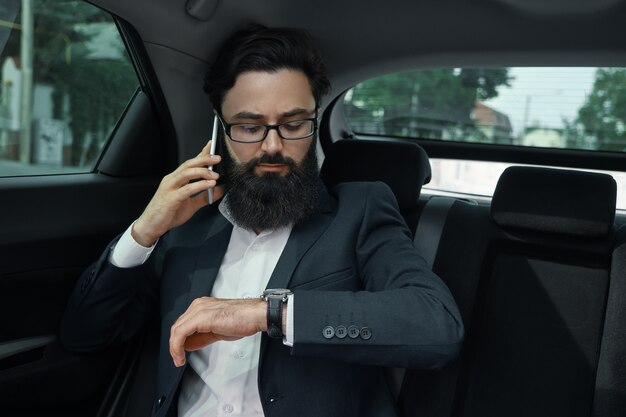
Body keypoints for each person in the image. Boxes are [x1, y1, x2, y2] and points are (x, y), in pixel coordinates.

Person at [60, 25, 464, 417]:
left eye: (293, 125)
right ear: (220, 129)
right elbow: (85, 335)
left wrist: (266, 313)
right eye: (250, 127)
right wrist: (144, 231)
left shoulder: (359, 210)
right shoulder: (186, 224)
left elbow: (435, 326)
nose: (273, 146)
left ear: (315, 120)